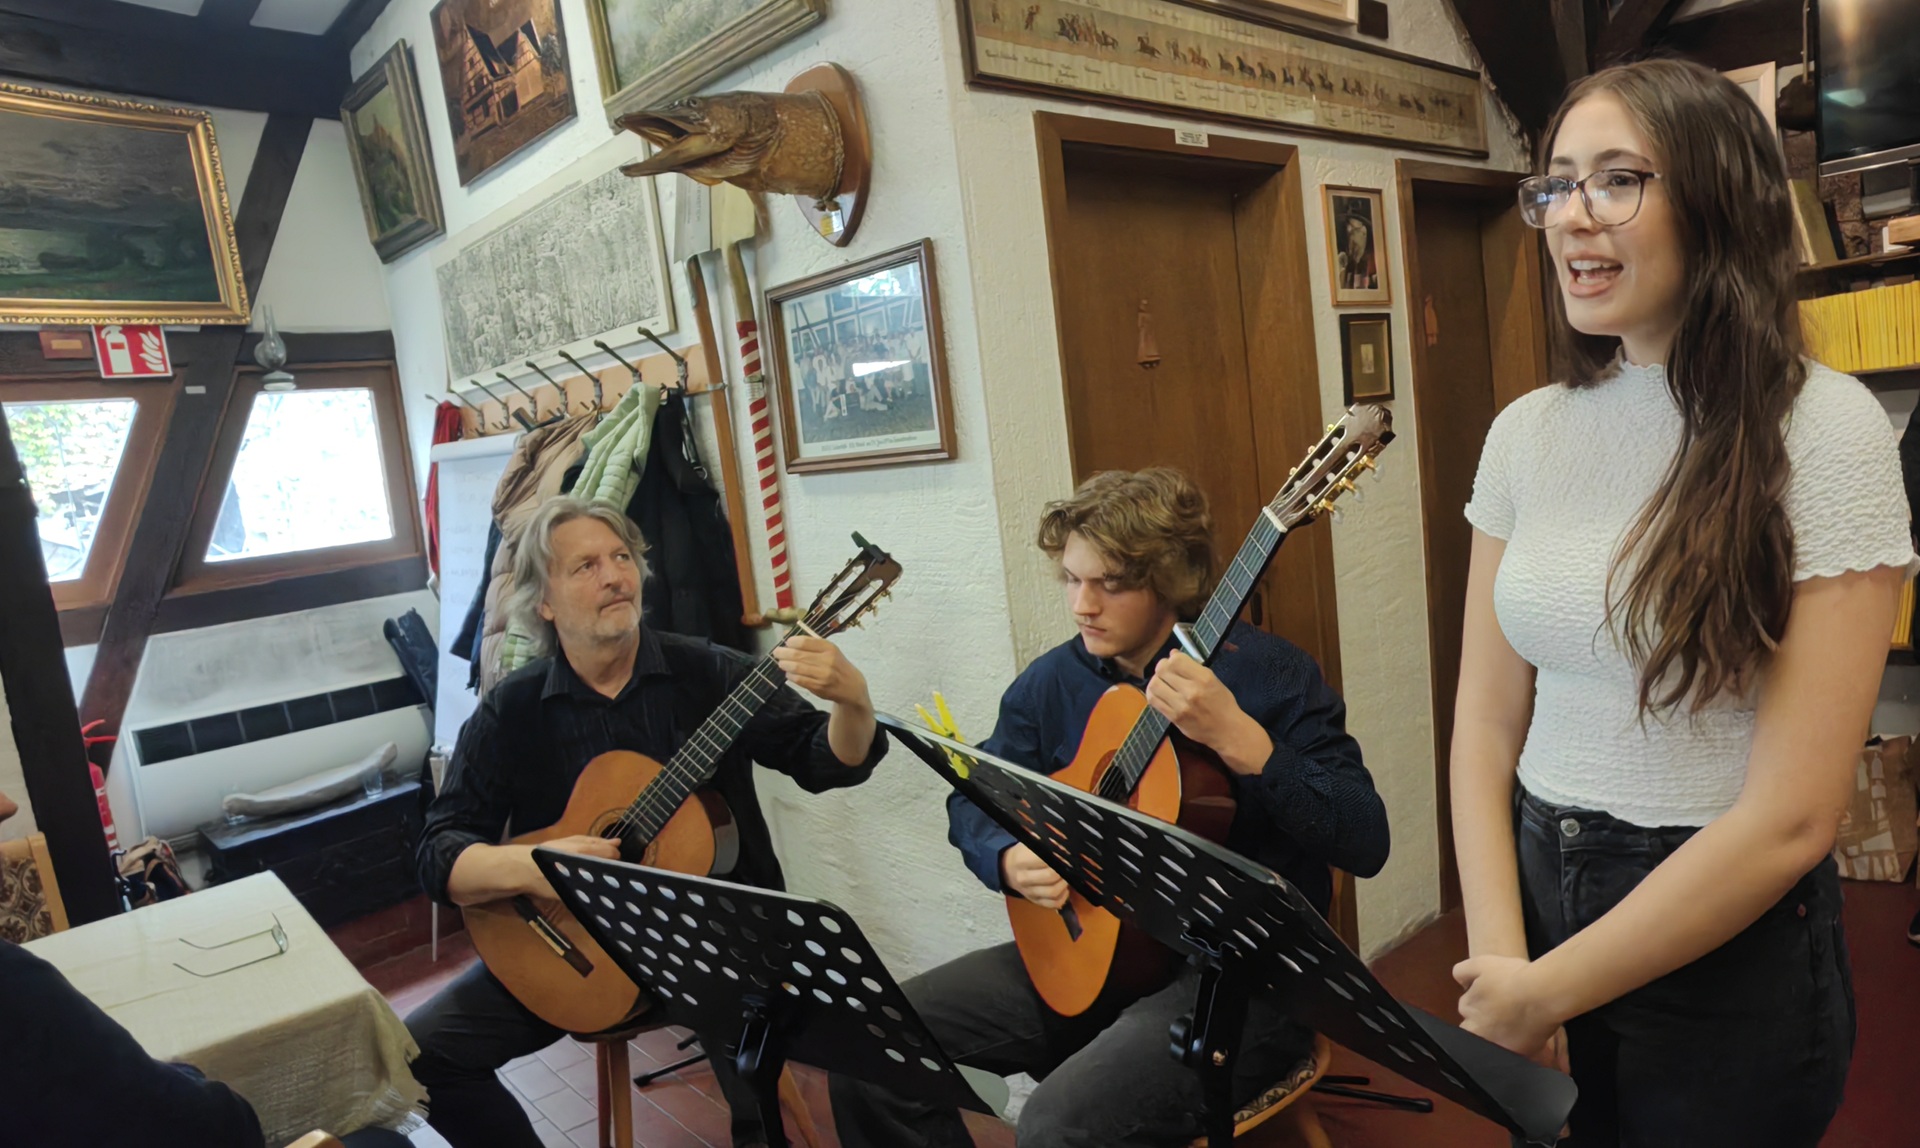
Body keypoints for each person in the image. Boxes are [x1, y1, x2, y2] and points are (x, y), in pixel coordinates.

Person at [1449, 58, 1914, 1146]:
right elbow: (1483, 719)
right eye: (1556, 184)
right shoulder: (1527, 429)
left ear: (1719, 199)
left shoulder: (1825, 431)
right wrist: (1509, 956)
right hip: (1534, 875)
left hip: (1719, 926)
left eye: (1617, 180)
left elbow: (1793, 817)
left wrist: (1549, 985)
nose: (1572, 216)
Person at [828, 467, 1390, 1148]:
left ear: (1170, 581)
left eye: (1110, 584)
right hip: (1092, 954)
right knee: (867, 1044)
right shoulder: (1051, 683)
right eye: (1070, 578)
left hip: (1239, 981)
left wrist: (1247, 744)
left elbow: (1365, 838)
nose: (1081, 605)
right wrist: (1004, 856)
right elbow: (975, 792)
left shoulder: (1269, 675)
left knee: (1058, 1127)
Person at [407, 497, 888, 1148]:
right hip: (574, 948)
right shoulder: (514, 710)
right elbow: (440, 852)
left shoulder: (712, 673)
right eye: (585, 566)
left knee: (759, 1095)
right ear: (543, 601)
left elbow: (823, 759)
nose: (614, 576)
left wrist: (853, 702)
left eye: (622, 558)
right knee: (418, 1059)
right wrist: (539, 867)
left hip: (716, 944)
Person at [0, 796, 411, 1148]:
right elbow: (220, 1130)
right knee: (386, 1140)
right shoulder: (16, 988)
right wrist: (185, 1074)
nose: (7, 806)